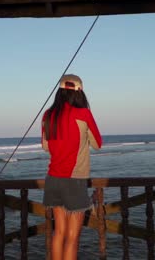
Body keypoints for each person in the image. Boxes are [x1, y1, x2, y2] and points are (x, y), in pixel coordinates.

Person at [41, 74, 102, 260]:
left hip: (52, 179)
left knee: (58, 232)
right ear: (79, 92)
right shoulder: (83, 114)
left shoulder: (48, 115)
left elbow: (45, 146)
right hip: (74, 180)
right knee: (72, 237)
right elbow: (97, 143)